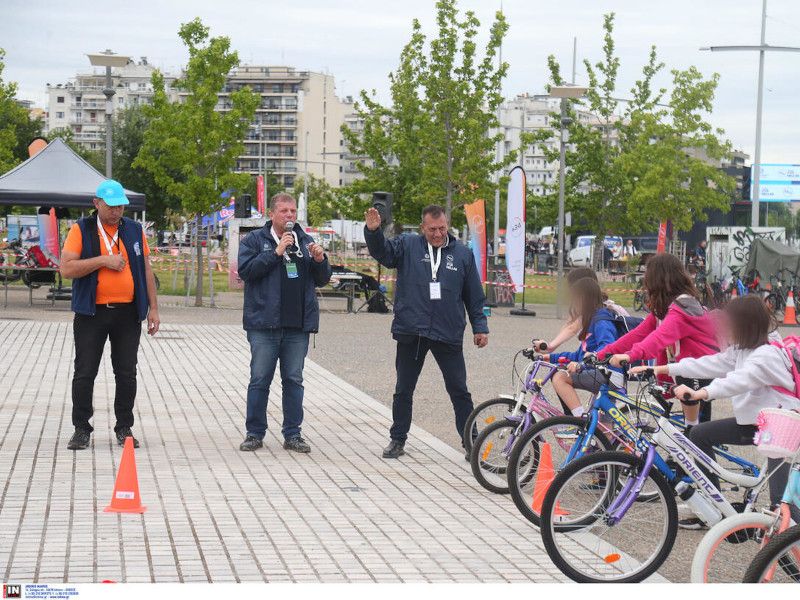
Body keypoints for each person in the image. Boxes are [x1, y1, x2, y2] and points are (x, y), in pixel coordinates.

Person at [631, 295, 800, 528]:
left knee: (780, 506)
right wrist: (662, 368)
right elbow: (710, 363)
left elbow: (738, 380)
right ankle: (718, 507)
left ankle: (786, 536)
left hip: (780, 427)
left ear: (744, 325)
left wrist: (701, 393)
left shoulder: (766, 354)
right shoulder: (743, 350)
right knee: (700, 434)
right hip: (759, 423)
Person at [364, 204, 489, 459]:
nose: (438, 234)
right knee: (403, 389)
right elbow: (383, 253)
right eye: (432, 229)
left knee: (459, 390)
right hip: (413, 331)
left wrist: (480, 327)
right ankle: (397, 439)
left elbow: (474, 296)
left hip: (448, 332)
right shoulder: (408, 245)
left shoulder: (463, 254)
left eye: (442, 228)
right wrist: (374, 231)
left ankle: (470, 443)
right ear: (423, 228)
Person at [60, 180, 160, 450]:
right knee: (85, 373)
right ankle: (82, 428)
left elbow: (147, 270)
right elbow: (66, 269)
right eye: (111, 206)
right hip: (92, 313)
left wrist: (154, 307)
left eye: (121, 206)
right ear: (96, 203)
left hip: (128, 314)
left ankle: (124, 427)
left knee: (126, 373)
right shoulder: (81, 230)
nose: (117, 212)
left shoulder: (135, 230)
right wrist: (103, 261)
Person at [237, 193, 331, 453]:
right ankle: (254, 433)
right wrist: (276, 253)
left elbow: (322, 280)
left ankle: (293, 434)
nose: (290, 216)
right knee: (259, 379)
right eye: (284, 211)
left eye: (293, 212)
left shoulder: (305, 240)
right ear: (272, 214)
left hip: (297, 326)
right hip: (264, 324)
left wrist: (322, 261)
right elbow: (246, 272)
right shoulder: (255, 240)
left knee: (293, 380)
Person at [598, 253, 719, 425]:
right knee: (695, 434)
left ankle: (694, 439)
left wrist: (630, 356)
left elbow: (658, 338)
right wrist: (602, 353)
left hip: (701, 370)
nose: (646, 284)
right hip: (688, 370)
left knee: (695, 439)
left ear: (660, 279)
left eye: (648, 277)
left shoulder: (683, 307)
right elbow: (638, 334)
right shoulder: (667, 308)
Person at [541, 277, 623, 415]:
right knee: (603, 431)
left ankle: (578, 420)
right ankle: (593, 429)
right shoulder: (590, 320)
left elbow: (608, 346)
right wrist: (548, 357)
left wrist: (584, 362)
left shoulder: (601, 321)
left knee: (560, 377)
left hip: (608, 373)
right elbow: (578, 355)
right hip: (601, 372)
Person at [533, 267, 629, 353]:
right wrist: (551, 345)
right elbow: (569, 324)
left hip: (618, 359)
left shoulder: (601, 309)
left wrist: (551, 346)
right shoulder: (592, 303)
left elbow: (573, 328)